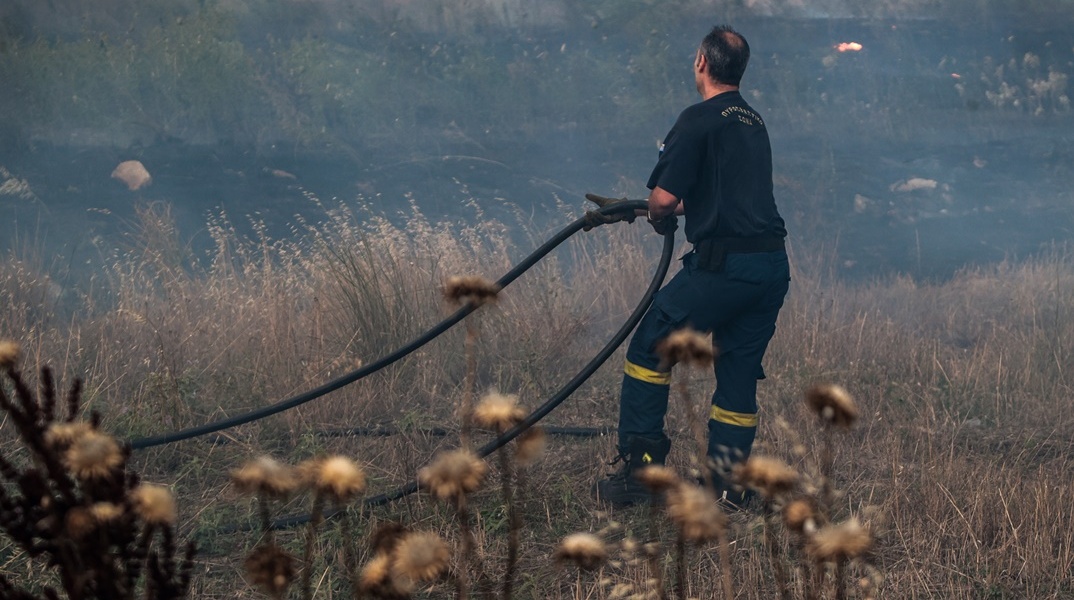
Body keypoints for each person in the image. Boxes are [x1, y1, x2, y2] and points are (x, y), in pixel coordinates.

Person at [588, 25, 790, 508]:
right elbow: (714, 200)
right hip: (769, 269)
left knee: (649, 349)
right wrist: (639, 208)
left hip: (723, 269)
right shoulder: (753, 121)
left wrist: (654, 211)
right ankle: (729, 488)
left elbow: (665, 201)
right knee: (737, 372)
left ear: (701, 62)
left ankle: (641, 478)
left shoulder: (697, 120)